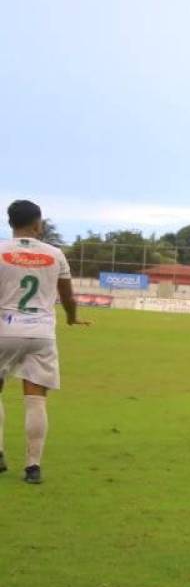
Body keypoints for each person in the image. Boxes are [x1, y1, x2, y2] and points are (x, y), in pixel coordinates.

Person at [0, 200, 90, 485]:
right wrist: (72, 318)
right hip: (41, 332)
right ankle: (33, 467)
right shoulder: (55, 254)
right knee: (36, 399)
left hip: (5, 328)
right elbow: (68, 297)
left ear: (10, 223)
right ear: (38, 224)